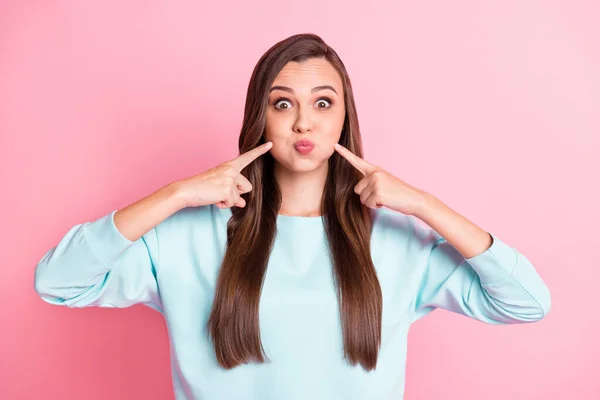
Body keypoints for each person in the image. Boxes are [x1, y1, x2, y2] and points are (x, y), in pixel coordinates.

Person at [33, 33, 551, 400]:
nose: (304, 120)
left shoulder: (397, 241)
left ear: (344, 117)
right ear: (261, 115)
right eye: (283, 104)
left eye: (323, 103)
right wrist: (176, 193)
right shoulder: (186, 235)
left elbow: (526, 303)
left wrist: (424, 205)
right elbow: (58, 282)